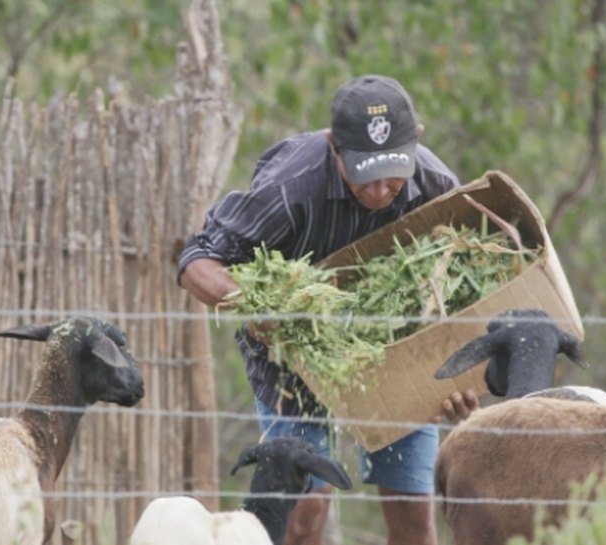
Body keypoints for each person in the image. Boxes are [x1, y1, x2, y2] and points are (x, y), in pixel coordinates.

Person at [177, 74, 479, 545]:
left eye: (393, 175)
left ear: (415, 142)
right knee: (305, 511)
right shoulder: (289, 188)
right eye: (364, 175)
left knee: (414, 516)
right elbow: (197, 260)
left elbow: (469, 295)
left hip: (398, 354)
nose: (379, 191)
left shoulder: (438, 188)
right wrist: (260, 307)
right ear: (333, 147)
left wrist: (458, 377)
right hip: (293, 360)